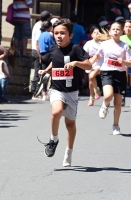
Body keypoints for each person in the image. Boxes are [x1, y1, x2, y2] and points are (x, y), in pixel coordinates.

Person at [38, 18, 91, 167]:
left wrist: (76, 63)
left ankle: (69, 151)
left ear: (71, 35)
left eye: (63, 33)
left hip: (72, 92)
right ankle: (53, 140)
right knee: (56, 112)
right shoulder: (54, 49)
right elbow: (54, 61)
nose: (59, 36)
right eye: (56, 33)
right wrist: (46, 70)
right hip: (56, 89)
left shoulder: (76, 49)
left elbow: (89, 64)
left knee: (70, 124)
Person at [91, 21, 131, 135]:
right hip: (107, 72)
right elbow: (97, 55)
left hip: (120, 74)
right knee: (108, 95)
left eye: (118, 29)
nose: (115, 31)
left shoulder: (125, 46)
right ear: (109, 31)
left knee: (118, 103)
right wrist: (90, 63)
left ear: (121, 32)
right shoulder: (104, 44)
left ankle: (116, 126)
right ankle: (105, 105)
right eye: (113, 29)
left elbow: (130, 63)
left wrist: (123, 61)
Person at [31, 10, 52, 100]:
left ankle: (39, 92)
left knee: (41, 72)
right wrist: (39, 55)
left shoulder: (37, 24)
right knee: (38, 72)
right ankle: (35, 92)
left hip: (38, 51)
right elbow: (37, 42)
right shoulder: (41, 28)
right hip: (38, 51)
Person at [83, 26, 102, 106]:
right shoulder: (88, 43)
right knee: (90, 82)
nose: (96, 34)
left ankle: (97, 89)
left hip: (99, 63)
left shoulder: (103, 43)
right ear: (91, 34)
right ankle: (91, 97)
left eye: (98, 33)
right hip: (90, 62)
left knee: (91, 76)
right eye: (95, 33)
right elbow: (84, 53)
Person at [38, 20, 55, 101]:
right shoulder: (49, 35)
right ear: (49, 27)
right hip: (49, 55)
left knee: (44, 74)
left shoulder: (41, 35)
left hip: (42, 55)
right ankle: (51, 91)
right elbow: (53, 47)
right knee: (52, 73)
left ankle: (44, 93)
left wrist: (39, 56)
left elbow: (37, 45)